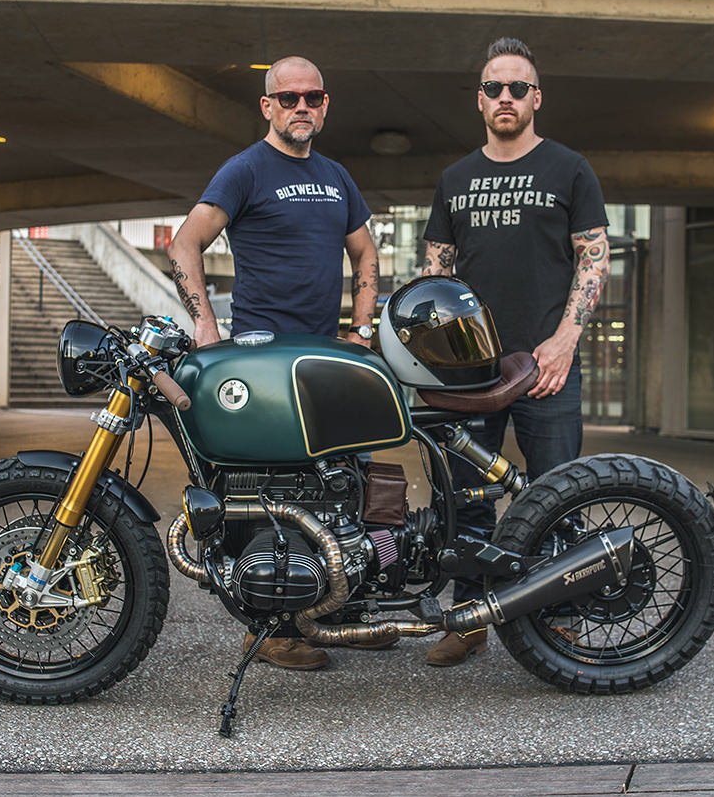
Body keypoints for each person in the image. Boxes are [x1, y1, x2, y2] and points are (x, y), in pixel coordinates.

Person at [166, 55, 388, 670]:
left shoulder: (337, 176)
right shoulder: (246, 169)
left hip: (326, 359)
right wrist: (205, 327)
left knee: (342, 482)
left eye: (312, 97)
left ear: (325, 104)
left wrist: (361, 331)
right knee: (269, 491)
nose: (301, 107)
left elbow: (365, 253)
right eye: (288, 98)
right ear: (268, 106)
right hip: (262, 360)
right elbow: (184, 243)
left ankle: (336, 609)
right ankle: (268, 630)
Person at [420, 37, 611, 666]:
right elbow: (437, 276)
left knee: (557, 495)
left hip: (546, 364)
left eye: (518, 88)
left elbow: (593, 259)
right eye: (494, 88)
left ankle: (561, 617)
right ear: (479, 100)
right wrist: (439, 359)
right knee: (466, 498)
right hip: (470, 371)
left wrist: (564, 341)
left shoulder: (569, 168)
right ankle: (468, 618)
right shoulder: (455, 179)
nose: (506, 97)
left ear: (536, 98)